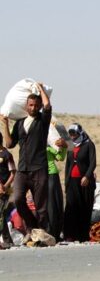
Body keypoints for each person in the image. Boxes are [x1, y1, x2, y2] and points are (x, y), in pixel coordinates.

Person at [2, 83, 52, 234]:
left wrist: (40, 89)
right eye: (30, 105)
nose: (33, 108)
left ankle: (42, 233)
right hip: (23, 169)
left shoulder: (43, 120)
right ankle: (32, 227)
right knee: (18, 199)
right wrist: (5, 124)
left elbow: (47, 106)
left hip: (39, 168)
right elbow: (9, 144)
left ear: (39, 106)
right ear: (26, 106)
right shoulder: (19, 123)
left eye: (36, 105)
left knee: (41, 205)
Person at [62, 124, 96, 242]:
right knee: (71, 207)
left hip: (85, 182)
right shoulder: (70, 146)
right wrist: (66, 182)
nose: (72, 136)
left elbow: (93, 162)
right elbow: (68, 165)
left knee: (84, 207)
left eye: (74, 133)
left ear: (79, 133)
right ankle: (70, 235)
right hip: (72, 182)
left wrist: (87, 176)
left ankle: (83, 235)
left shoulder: (89, 144)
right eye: (70, 133)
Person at [46, 138, 67, 241]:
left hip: (49, 176)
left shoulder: (46, 148)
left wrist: (63, 147)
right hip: (51, 176)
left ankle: (52, 232)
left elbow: (60, 157)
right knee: (55, 203)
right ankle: (55, 232)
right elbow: (60, 157)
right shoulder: (47, 148)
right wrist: (64, 148)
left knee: (51, 204)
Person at [0, 138, 16, 245]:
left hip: (4, 191)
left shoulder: (7, 155)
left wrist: (5, 186)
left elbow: (13, 173)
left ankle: (7, 241)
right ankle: (8, 241)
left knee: (0, 214)